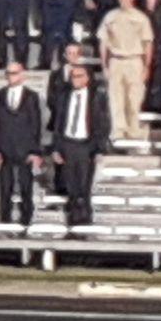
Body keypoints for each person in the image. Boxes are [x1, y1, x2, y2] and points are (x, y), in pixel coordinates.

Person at [51, 62, 109, 228]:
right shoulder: (64, 96)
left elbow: (103, 123)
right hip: (68, 142)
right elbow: (59, 123)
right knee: (71, 183)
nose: (74, 80)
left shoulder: (97, 96)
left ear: (87, 78)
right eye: (73, 76)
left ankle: (84, 218)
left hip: (86, 144)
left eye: (78, 76)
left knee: (84, 184)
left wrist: (100, 148)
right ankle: (72, 218)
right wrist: (56, 148)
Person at [0, 61, 44, 229]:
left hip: (25, 148)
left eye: (14, 73)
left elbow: (36, 124)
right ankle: (4, 220)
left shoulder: (31, 97)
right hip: (5, 147)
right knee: (5, 187)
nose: (10, 76)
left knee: (26, 187)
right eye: (8, 73)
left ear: (22, 75)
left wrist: (35, 151)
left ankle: (26, 220)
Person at [98, 0, 155, 142]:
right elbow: (103, 42)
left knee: (134, 96)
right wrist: (104, 65)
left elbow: (148, 43)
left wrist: (147, 66)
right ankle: (118, 129)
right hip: (116, 60)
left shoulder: (141, 18)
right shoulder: (110, 17)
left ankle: (133, 128)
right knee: (116, 97)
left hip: (135, 60)